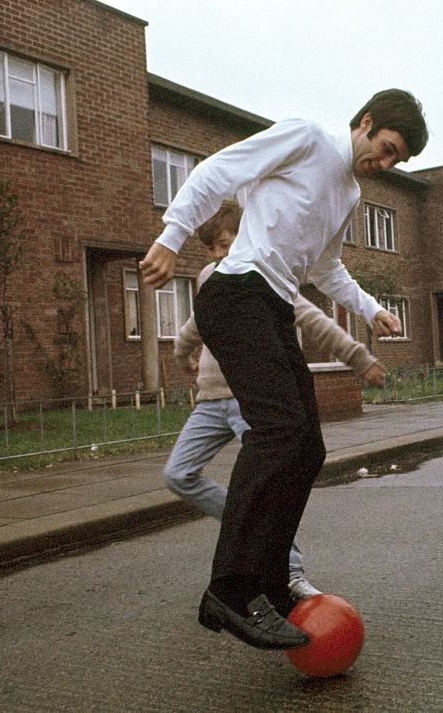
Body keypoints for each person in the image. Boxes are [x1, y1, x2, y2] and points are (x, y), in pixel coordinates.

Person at [140, 89, 427, 650]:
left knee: (307, 448)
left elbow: (327, 268)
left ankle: (269, 584)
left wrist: (371, 309)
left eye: (397, 161)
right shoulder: (309, 138)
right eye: (386, 148)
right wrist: (172, 236)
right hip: (238, 290)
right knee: (276, 436)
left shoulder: (347, 194)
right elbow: (219, 171)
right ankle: (229, 588)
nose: (385, 163)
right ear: (365, 123)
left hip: (272, 304)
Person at [164, 200, 387, 603]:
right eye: (212, 248)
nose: (220, 255)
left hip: (253, 401)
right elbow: (196, 323)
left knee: (268, 485)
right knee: (179, 475)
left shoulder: (262, 275)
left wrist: (359, 358)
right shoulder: (208, 278)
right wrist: (183, 356)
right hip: (211, 401)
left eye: (227, 244)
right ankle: (245, 519)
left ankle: (290, 571)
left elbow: (313, 319)